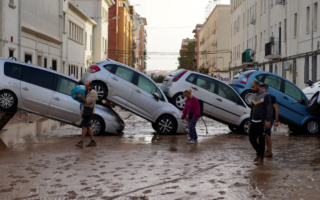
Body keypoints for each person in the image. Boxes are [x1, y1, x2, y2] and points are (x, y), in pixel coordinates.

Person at [248, 80, 273, 165]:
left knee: (261, 140)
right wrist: (250, 121)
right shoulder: (254, 95)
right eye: (251, 87)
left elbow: (270, 109)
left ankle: (261, 159)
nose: (252, 89)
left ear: (258, 86)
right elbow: (252, 109)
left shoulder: (266, 96)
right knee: (251, 138)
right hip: (254, 121)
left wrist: (268, 120)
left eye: (253, 87)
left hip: (262, 122)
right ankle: (259, 153)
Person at [75, 81, 98, 148]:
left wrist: (81, 97)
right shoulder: (87, 91)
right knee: (88, 127)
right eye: (85, 86)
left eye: (87, 86)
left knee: (84, 126)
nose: (85, 87)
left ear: (90, 86)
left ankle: (81, 142)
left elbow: (88, 102)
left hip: (89, 112)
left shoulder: (93, 93)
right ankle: (93, 141)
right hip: (85, 111)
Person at [261, 84, 279, 157]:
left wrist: (276, 120)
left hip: (270, 118)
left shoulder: (272, 97)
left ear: (267, 89)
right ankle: (269, 151)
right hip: (263, 118)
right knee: (266, 134)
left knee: (266, 134)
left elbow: (276, 109)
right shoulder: (261, 97)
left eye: (263, 89)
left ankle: (269, 151)